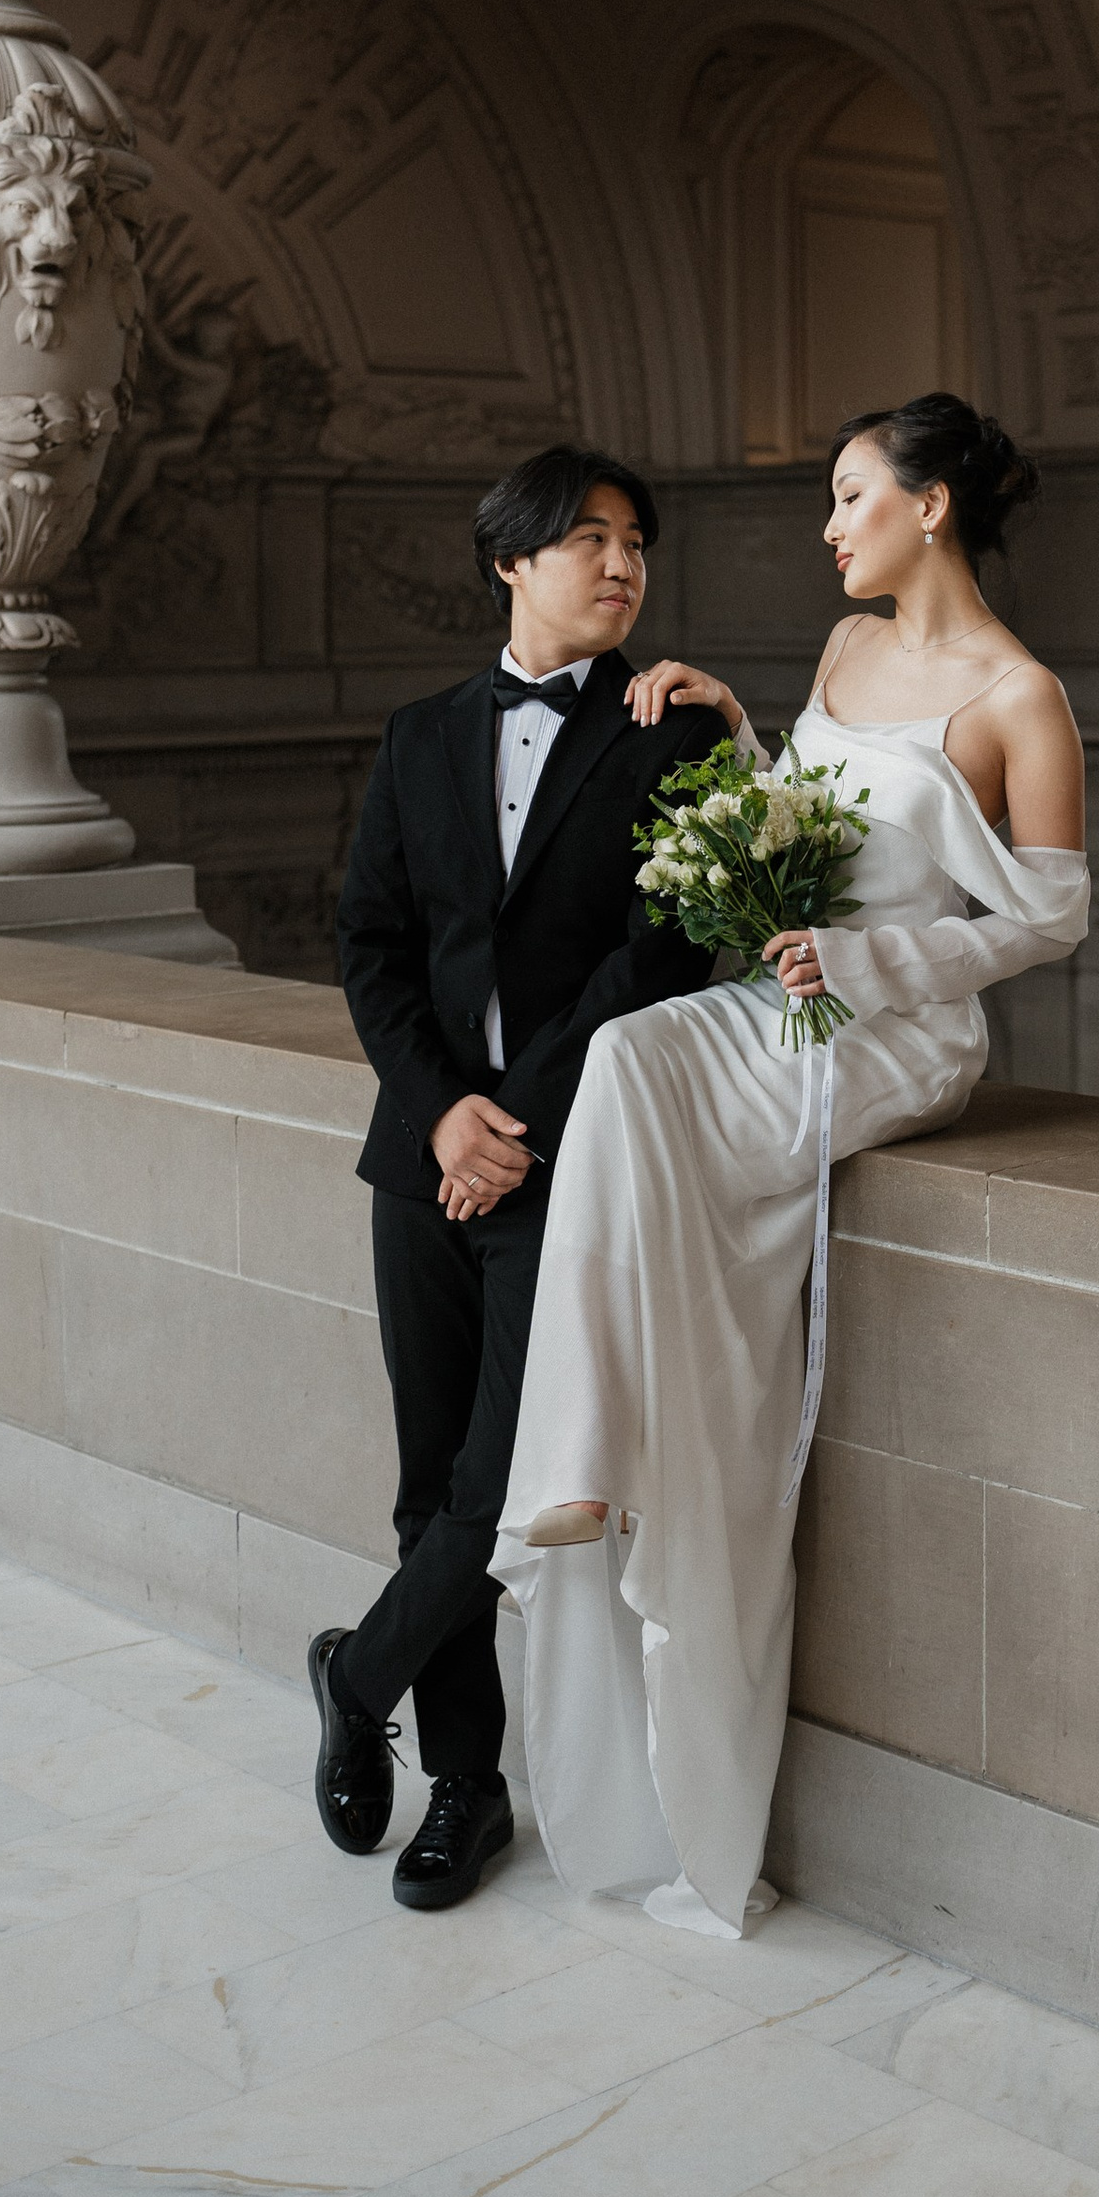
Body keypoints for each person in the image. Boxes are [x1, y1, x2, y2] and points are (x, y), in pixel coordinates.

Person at [494, 393, 1090, 1940]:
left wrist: (866, 962)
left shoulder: (1022, 697)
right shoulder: (839, 657)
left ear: (931, 506)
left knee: (636, 1080)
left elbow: (1047, 920)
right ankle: (585, 1465)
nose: (828, 527)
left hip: (897, 1030)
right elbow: (826, 818)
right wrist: (744, 740)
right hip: (783, 993)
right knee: (627, 1060)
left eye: (849, 497)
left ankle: (594, 1458)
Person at [310, 448, 730, 1908]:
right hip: (417, 1168)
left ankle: (355, 1675)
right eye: (589, 541)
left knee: (497, 1495)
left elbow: (664, 958)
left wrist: (514, 1121)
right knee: (430, 1485)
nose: (621, 566)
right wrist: (440, 1121)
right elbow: (369, 942)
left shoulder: (673, 744)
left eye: (636, 545)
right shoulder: (421, 734)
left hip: (568, 1165)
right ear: (511, 560)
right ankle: (465, 1793)